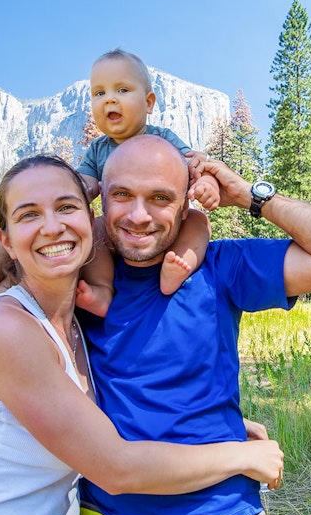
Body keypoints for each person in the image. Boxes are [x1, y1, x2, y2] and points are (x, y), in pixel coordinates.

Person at [0, 136, 311, 515]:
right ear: (100, 200)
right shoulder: (79, 288)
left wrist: (248, 195)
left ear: (185, 206)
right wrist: (65, 196)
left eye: (160, 198)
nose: (139, 215)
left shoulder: (221, 267)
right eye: (121, 194)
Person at [75, 49, 219, 316]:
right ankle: (103, 290)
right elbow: (84, 184)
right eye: (99, 93)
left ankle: (179, 264)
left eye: (122, 90)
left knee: (199, 221)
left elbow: (195, 164)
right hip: (116, 230)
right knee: (93, 228)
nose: (109, 100)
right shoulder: (97, 149)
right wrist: (77, 193)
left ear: (149, 102)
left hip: (162, 230)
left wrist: (206, 184)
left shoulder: (163, 139)